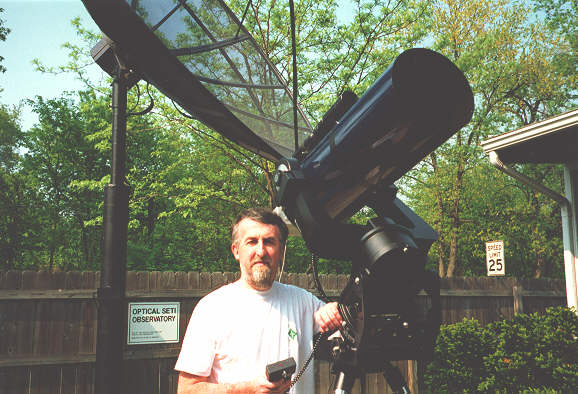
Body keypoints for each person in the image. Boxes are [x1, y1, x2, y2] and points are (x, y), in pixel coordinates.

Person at [175, 207, 342, 393]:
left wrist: (337, 310)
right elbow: (187, 389)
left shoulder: (303, 301)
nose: (261, 251)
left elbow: (352, 326)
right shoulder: (211, 309)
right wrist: (248, 389)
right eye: (252, 242)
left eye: (269, 242)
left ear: (281, 252)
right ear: (236, 251)